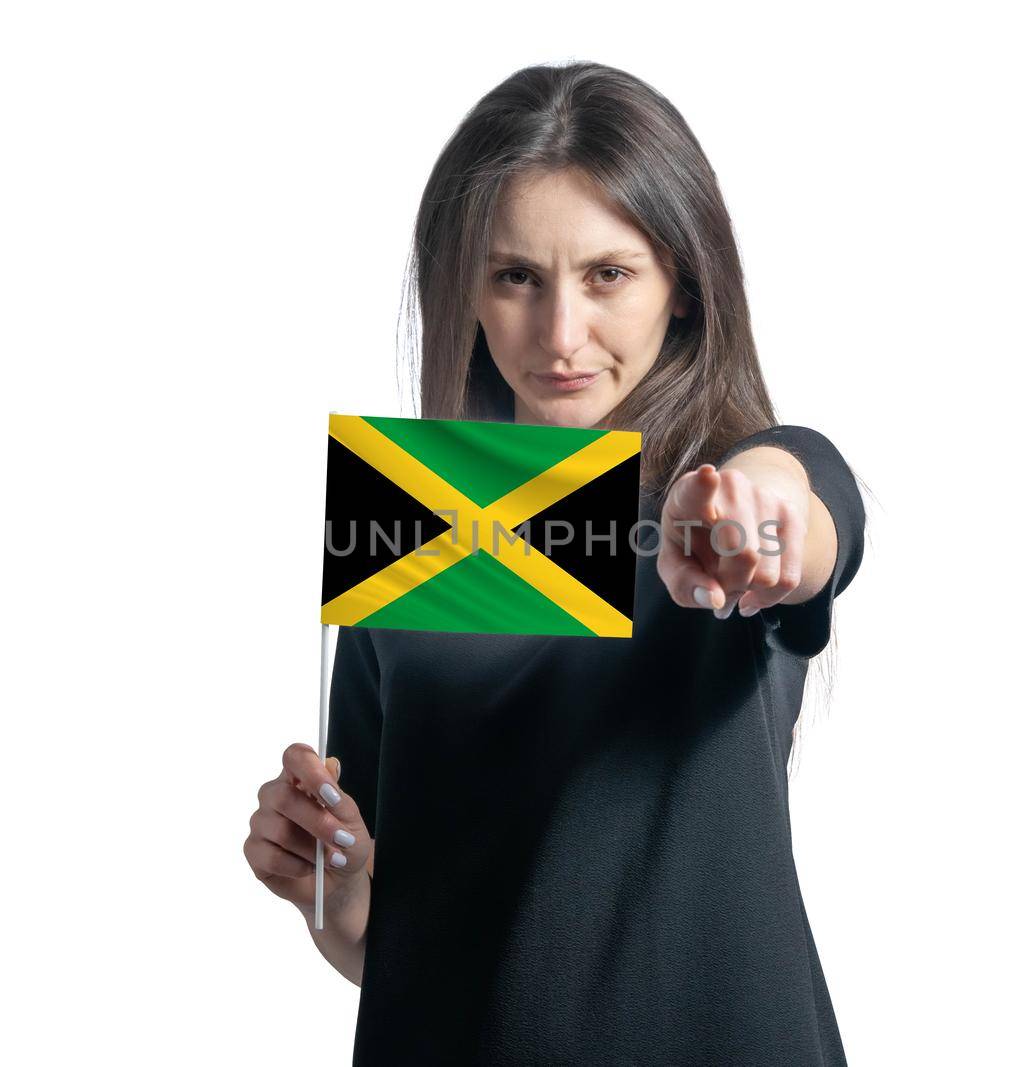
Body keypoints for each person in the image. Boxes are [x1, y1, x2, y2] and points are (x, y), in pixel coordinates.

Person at [244, 60, 867, 1065]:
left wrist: (767, 512)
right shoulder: (414, 527)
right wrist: (341, 892)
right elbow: (404, 937)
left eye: (606, 275)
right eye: (516, 276)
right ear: (470, 290)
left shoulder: (716, 511)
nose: (560, 333)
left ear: (682, 286)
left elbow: (808, 511)